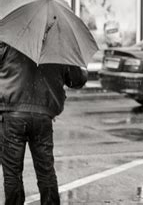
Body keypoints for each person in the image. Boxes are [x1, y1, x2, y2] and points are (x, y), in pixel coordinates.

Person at [0, 41, 88, 204]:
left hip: (13, 115)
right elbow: (77, 79)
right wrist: (80, 67)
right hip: (43, 116)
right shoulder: (59, 48)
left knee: (12, 173)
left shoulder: (11, 40)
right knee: (45, 171)